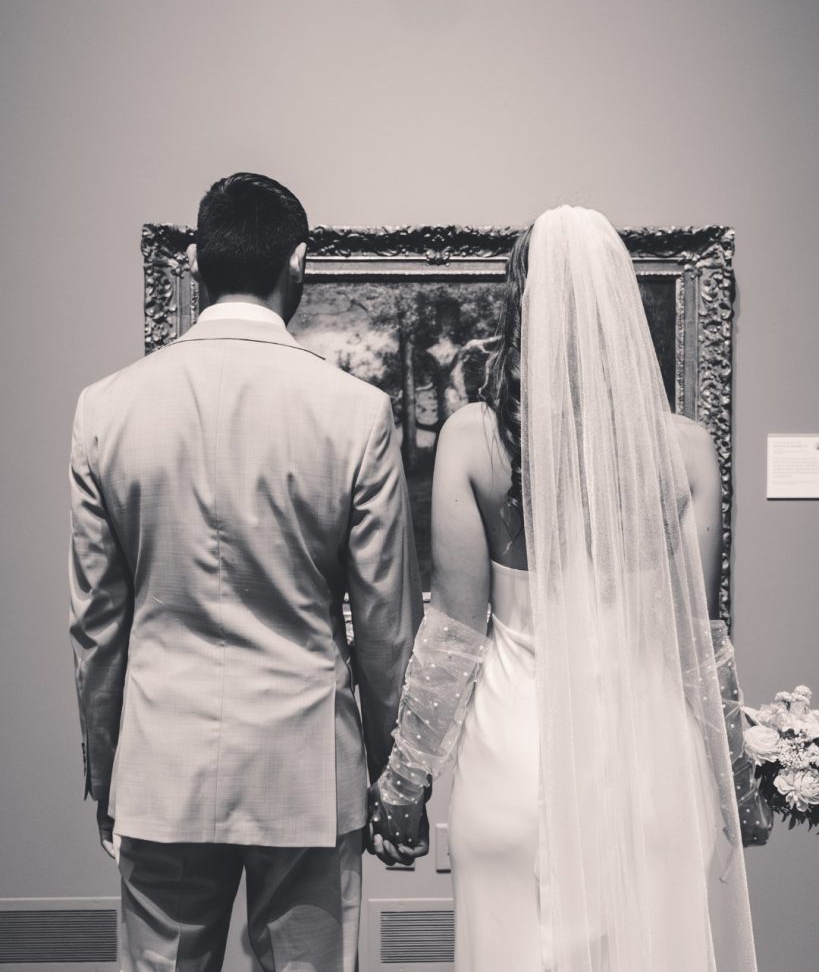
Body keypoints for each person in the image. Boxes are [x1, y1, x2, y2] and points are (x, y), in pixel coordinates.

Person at [372, 206, 764, 970]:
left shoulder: (474, 442)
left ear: (523, 310)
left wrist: (403, 784)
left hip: (516, 772)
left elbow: (452, 636)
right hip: (648, 772)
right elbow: (696, 644)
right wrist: (734, 782)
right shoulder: (685, 453)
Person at [69, 172, 426, 972]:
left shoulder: (106, 408)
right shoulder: (354, 412)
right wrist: (394, 778)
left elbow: (96, 626)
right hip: (307, 770)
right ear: (298, 262)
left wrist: (109, 769)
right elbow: (385, 630)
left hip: (162, 764)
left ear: (197, 263)